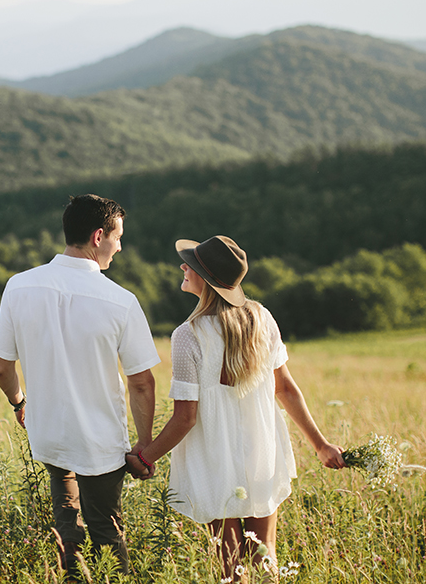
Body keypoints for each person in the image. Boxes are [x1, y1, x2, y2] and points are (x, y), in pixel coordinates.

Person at [131, 235, 345, 582]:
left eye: (192, 265)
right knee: (264, 556)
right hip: (262, 450)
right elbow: (286, 389)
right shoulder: (262, 318)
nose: (183, 266)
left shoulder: (189, 335)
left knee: (231, 566)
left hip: (216, 456)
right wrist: (320, 444)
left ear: (207, 279)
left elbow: (186, 417)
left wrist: (145, 457)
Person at [0, 194, 161, 578]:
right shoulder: (121, 301)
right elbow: (142, 383)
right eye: (118, 236)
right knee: (107, 531)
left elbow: (2, 367)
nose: (120, 246)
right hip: (99, 441)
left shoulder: (18, 287)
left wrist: (20, 404)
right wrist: (145, 442)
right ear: (99, 236)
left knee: (66, 526)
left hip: (48, 433)